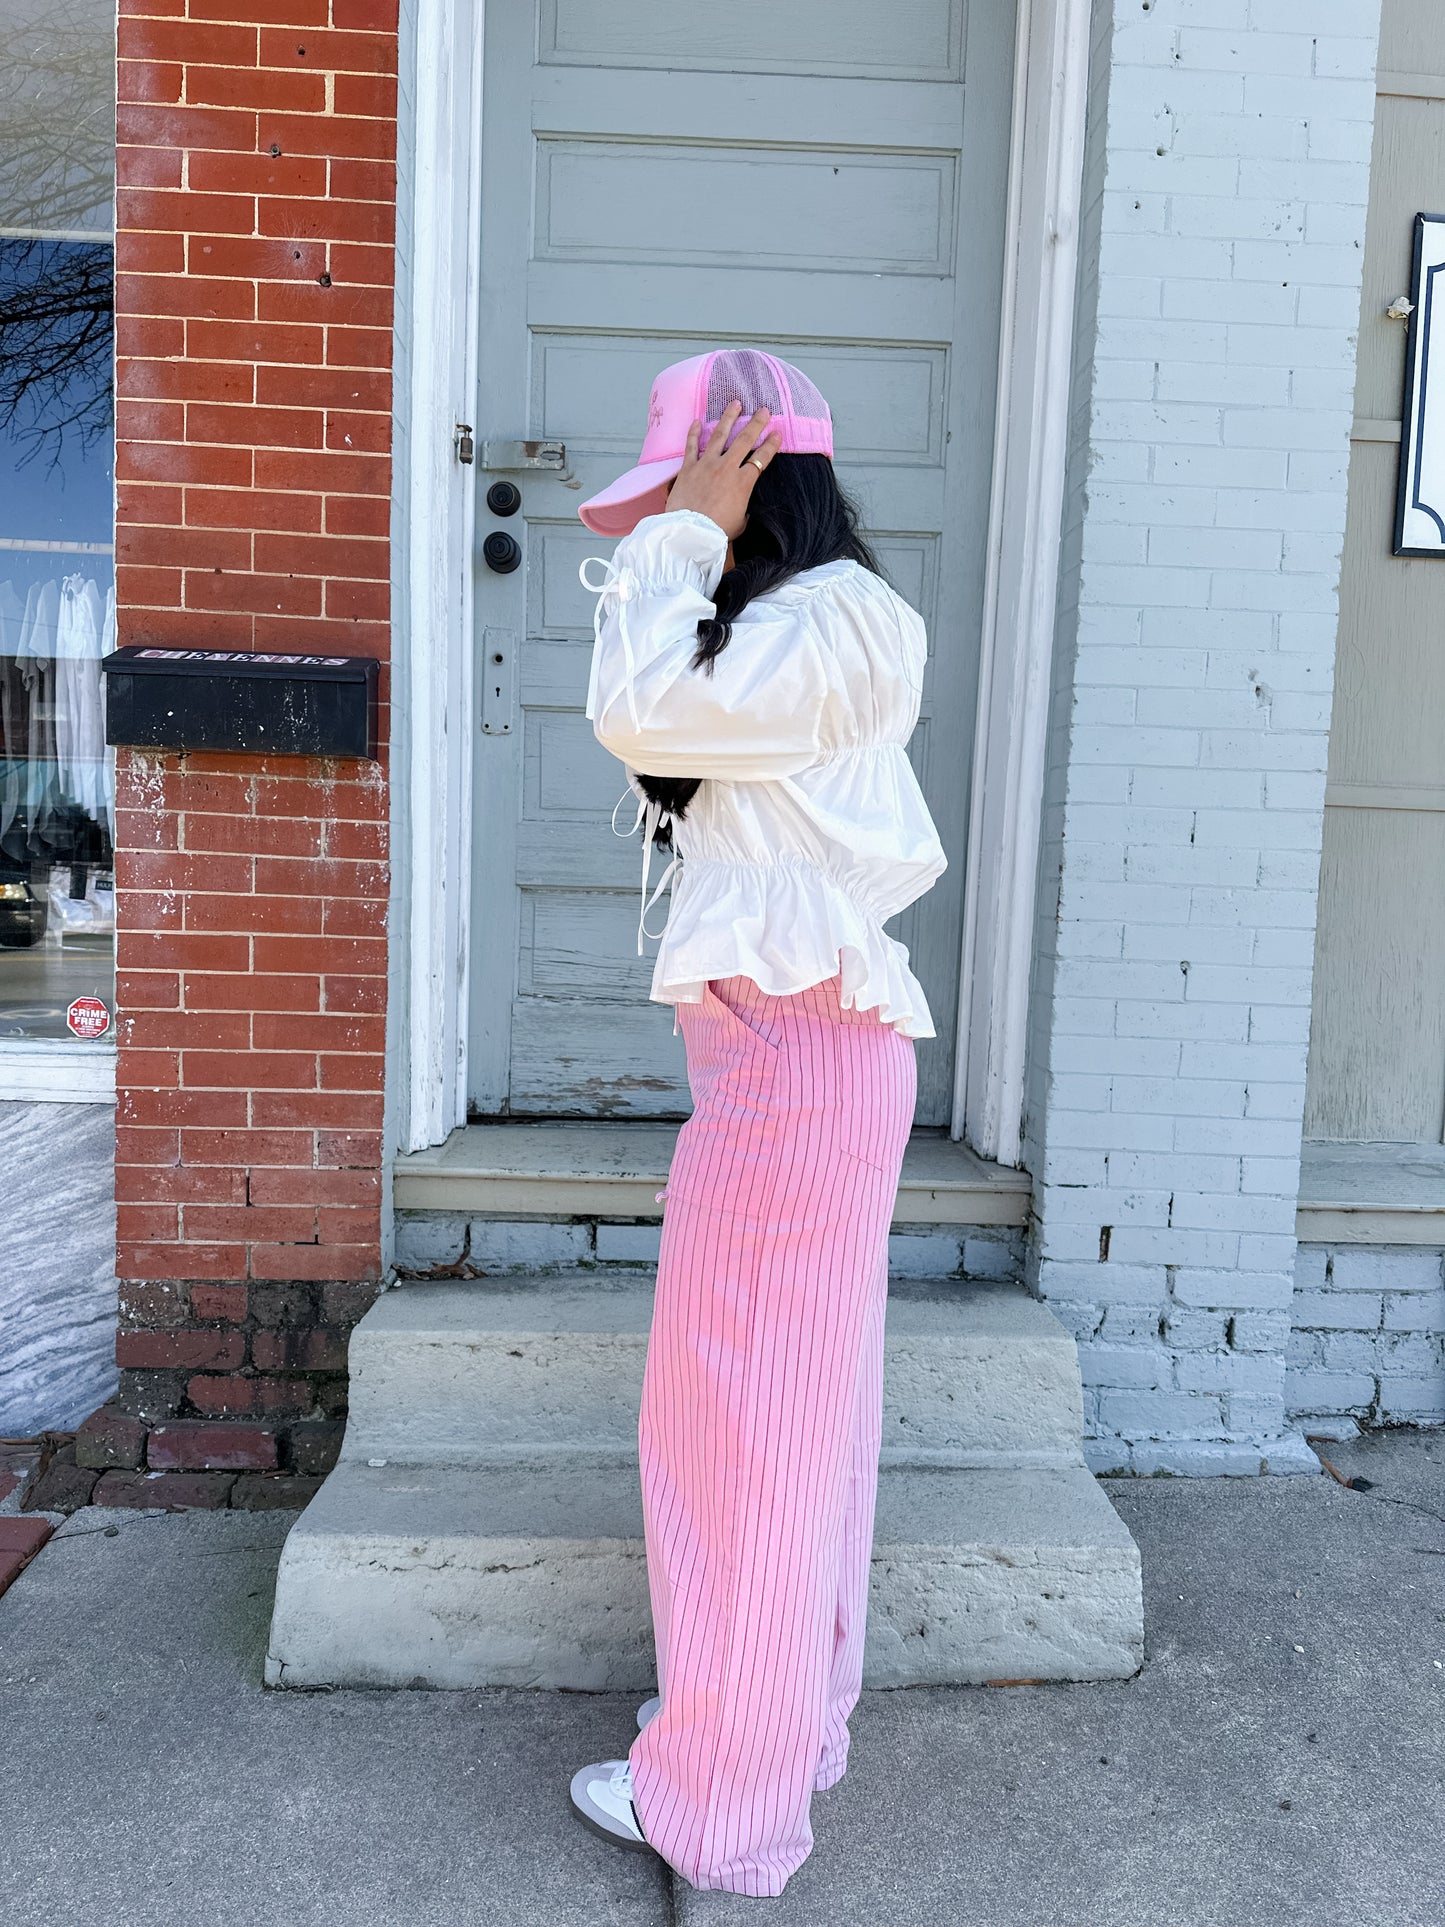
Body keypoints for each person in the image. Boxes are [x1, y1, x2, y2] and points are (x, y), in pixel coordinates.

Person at [567, 349, 946, 1897]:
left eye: (677, 481)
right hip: (786, 1055)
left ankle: (719, 1804)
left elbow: (635, 709)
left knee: (744, 1441)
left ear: (741, 470)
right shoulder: (794, 623)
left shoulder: (831, 619)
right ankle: (763, 1733)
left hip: (797, 1059)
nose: (657, 515)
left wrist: (679, 540)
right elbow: (668, 729)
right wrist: (689, 546)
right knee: (781, 1432)